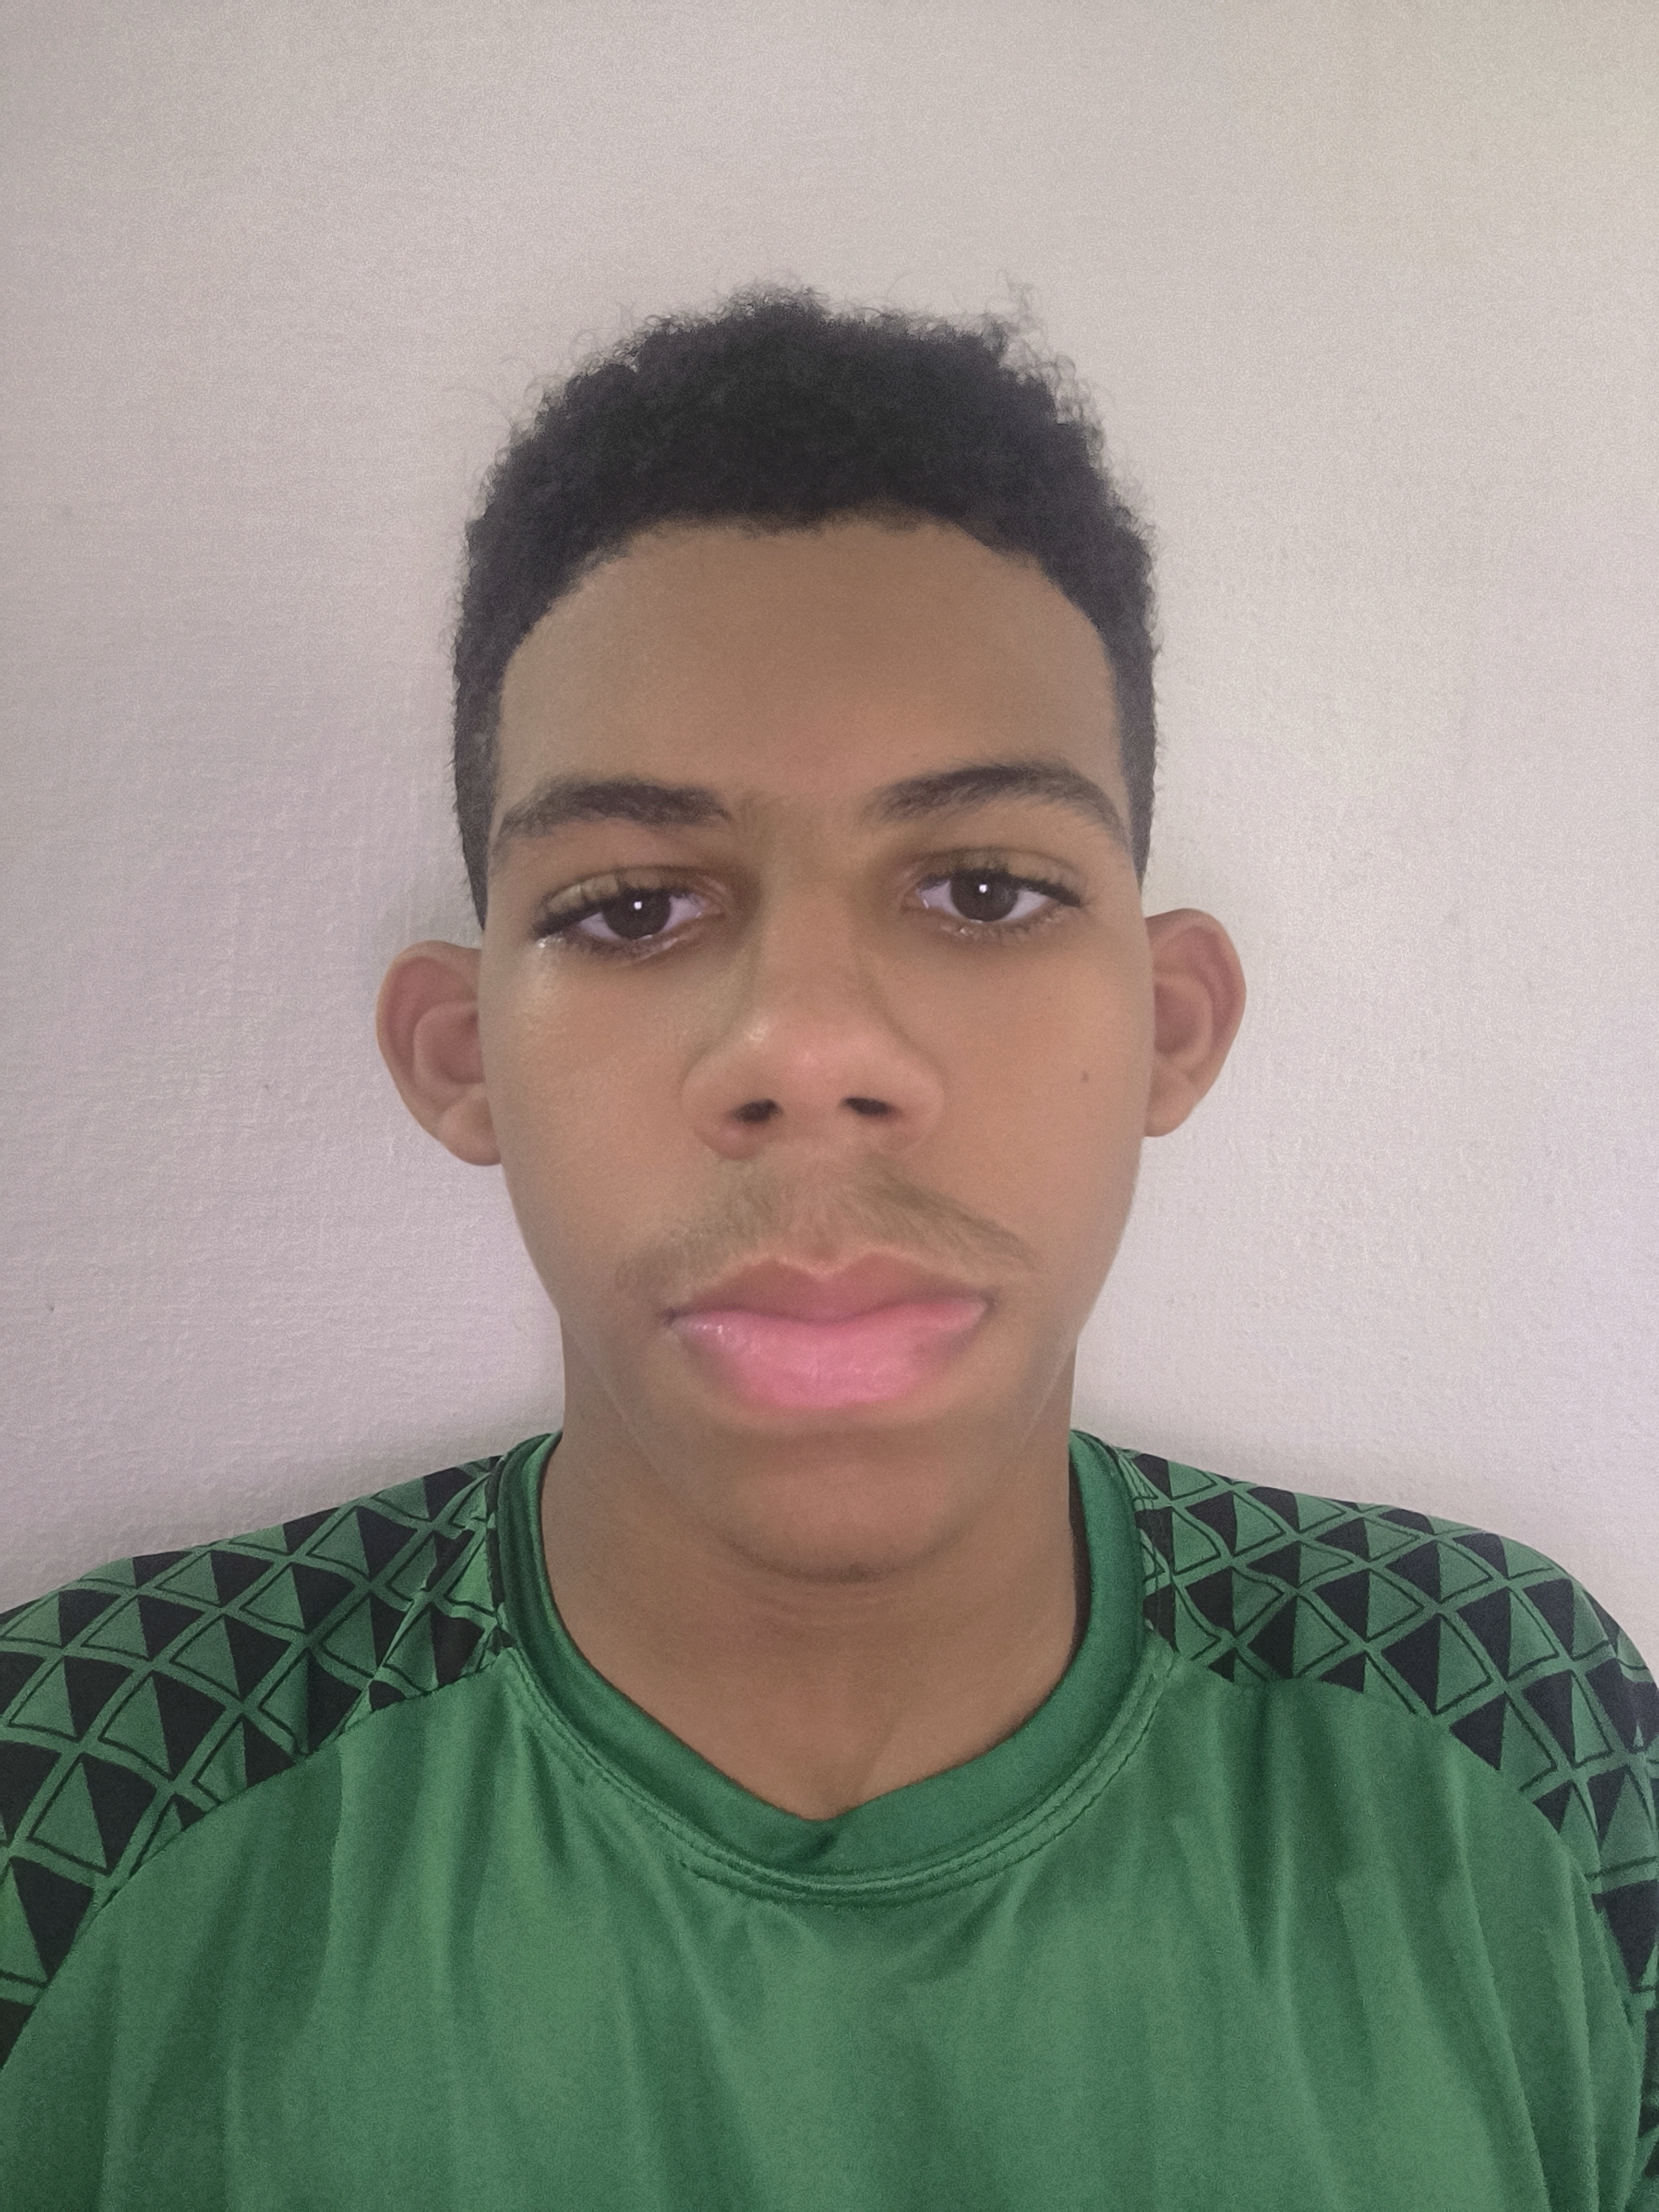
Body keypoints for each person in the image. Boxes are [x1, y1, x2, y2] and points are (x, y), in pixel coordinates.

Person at [1, 281, 1653, 2210]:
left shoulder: (1512, 1721)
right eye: (632, 910)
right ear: (462, 1060)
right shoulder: (80, 1782)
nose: (808, 1047)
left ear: (1170, 1026)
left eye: (985, 889)